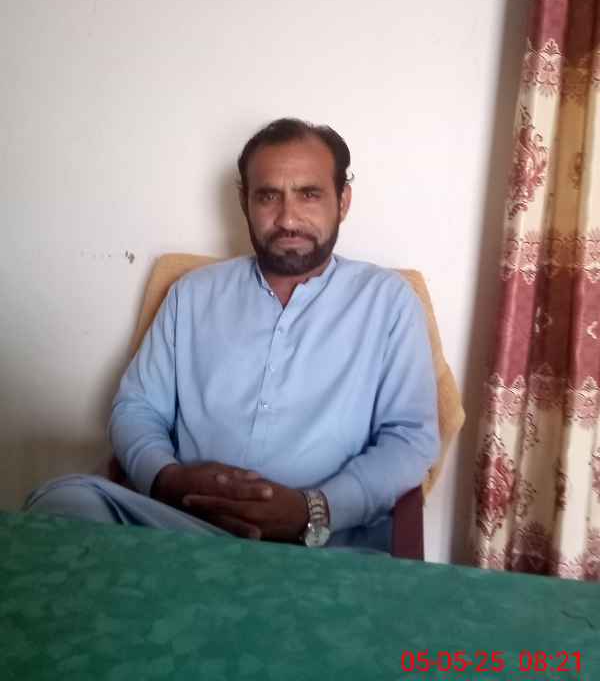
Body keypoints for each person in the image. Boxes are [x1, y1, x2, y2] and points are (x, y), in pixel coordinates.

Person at [25, 118, 439, 552]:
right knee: (62, 503)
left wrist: (312, 509)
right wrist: (168, 479)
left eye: (309, 194)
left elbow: (410, 438)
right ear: (245, 202)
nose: (288, 218)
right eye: (268, 196)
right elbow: (136, 408)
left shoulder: (388, 302)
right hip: (185, 526)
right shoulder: (192, 295)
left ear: (343, 200)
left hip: (325, 543)